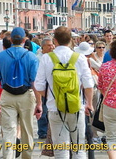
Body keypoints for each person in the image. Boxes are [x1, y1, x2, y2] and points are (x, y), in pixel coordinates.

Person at [35, 26, 94, 159]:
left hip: (55, 107)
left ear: (55, 40)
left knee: (61, 150)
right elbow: (89, 84)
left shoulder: (46, 58)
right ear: (71, 40)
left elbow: (38, 86)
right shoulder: (79, 58)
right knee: (79, 148)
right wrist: (89, 103)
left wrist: (52, 96)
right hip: (76, 106)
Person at [0, 27, 39, 159]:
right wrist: (39, 103)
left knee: (8, 130)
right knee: (27, 129)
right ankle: (27, 156)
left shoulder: (1, 56)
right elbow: (35, 82)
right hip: (26, 96)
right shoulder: (31, 56)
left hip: (7, 94)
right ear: (24, 40)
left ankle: (8, 156)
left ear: (10, 40)